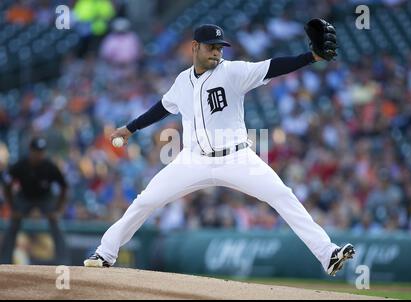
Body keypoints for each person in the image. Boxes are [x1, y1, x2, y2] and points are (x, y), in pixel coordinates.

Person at [84, 23, 355, 276]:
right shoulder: (181, 81)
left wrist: (310, 57)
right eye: (211, 46)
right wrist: (130, 128)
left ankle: (328, 253)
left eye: (219, 47)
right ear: (194, 47)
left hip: (237, 157)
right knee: (145, 201)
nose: (216, 51)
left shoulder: (234, 72)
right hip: (193, 160)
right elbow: (162, 108)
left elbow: (273, 66)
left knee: (282, 195)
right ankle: (105, 254)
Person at [0, 137, 68, 264]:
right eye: (36, 151)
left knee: (56, 223)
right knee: (13, 223)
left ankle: (63, 260)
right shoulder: (21, 165)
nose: (39, 155)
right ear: (31, 151)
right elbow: (6, 185)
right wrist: (13, 207)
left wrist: (58, 209)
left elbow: (64, 186)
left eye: (41, 152)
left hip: (44, 198)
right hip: (25, 197)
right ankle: (5, 260)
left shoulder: (49, 166)